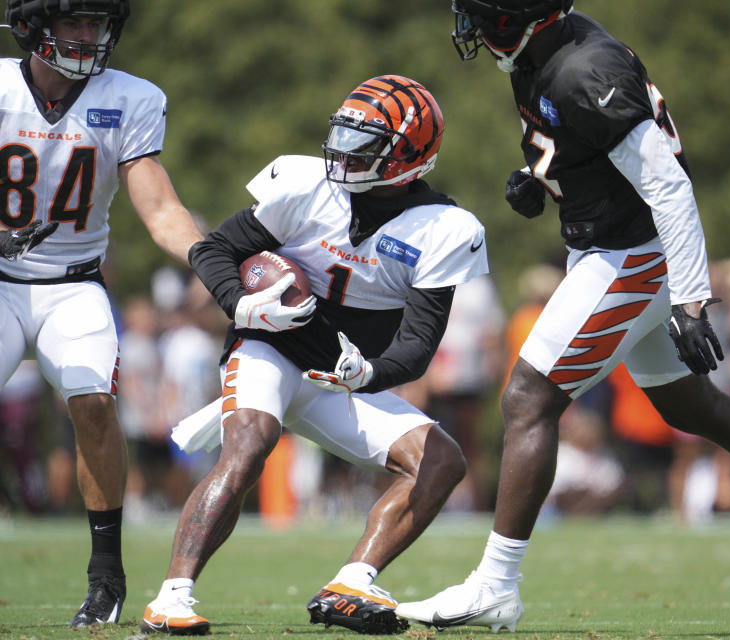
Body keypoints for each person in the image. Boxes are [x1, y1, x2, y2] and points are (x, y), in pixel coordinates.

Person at [397, 1, 730, 632]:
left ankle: (496, 584)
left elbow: (667, 184)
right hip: (610, 245)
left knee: (528, 397)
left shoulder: (582, 69)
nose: (470, 27)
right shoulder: (547, 48)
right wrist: (542, 174)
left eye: (481, 13)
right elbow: (587, 142)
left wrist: (690, 298)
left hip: (635, 254)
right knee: (692, 406)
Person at [140, 75, 488, 636]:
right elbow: (217, 249)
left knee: (441, 461)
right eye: (346, 135)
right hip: (269, 348)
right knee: (249, 443)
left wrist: (370, 372)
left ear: (409, 156)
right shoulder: (305, 183)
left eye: (366, 142)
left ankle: (351, 582)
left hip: (340, 377)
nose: (346, 153)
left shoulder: (446, 229)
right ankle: (172, 597)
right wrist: (242, 305)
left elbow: (418, 349)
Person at [0, 0, 204, 628]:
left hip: (74, 283)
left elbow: (161, 208)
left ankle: (105, 575)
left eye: (96, 23)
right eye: (73, 23)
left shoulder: (130, 97)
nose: (88, 36)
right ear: (34, 26)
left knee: (93, 401)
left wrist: (214, 262)